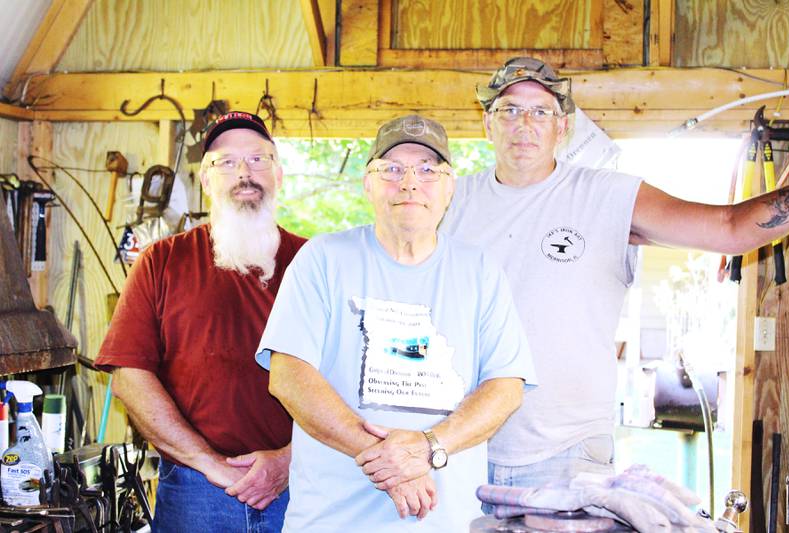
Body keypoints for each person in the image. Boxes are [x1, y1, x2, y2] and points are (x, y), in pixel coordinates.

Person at [440, 56, 789, 490]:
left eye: (541, 111)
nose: (524, 123)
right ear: (487, 124)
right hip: (456, 444)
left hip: (565, 452)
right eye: (509, 110)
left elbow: (729, 229)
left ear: (563, 127)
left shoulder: (607, 197)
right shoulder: (447, 201)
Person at [255, 114, 537, 532]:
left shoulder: (479, 270)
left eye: (428, 170)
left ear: (449, 187)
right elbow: (289, 376)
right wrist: (394, 462)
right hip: (332, 522)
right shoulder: (322, 259)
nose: (409, 183)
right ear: (367, 183)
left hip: (448, 522)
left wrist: (428, 448)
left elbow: (506, 386)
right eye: (391, 169)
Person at [95, 111, 306, 532]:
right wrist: (210, 465)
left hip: (300, 487)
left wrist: (288, 459)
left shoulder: (314, 263)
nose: (244, 173)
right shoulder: (161, 262)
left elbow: (347, 381)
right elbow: (129, 379)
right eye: (225, 162)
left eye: (258, 159)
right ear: (206, 181)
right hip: (195, 490)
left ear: (279, 175)